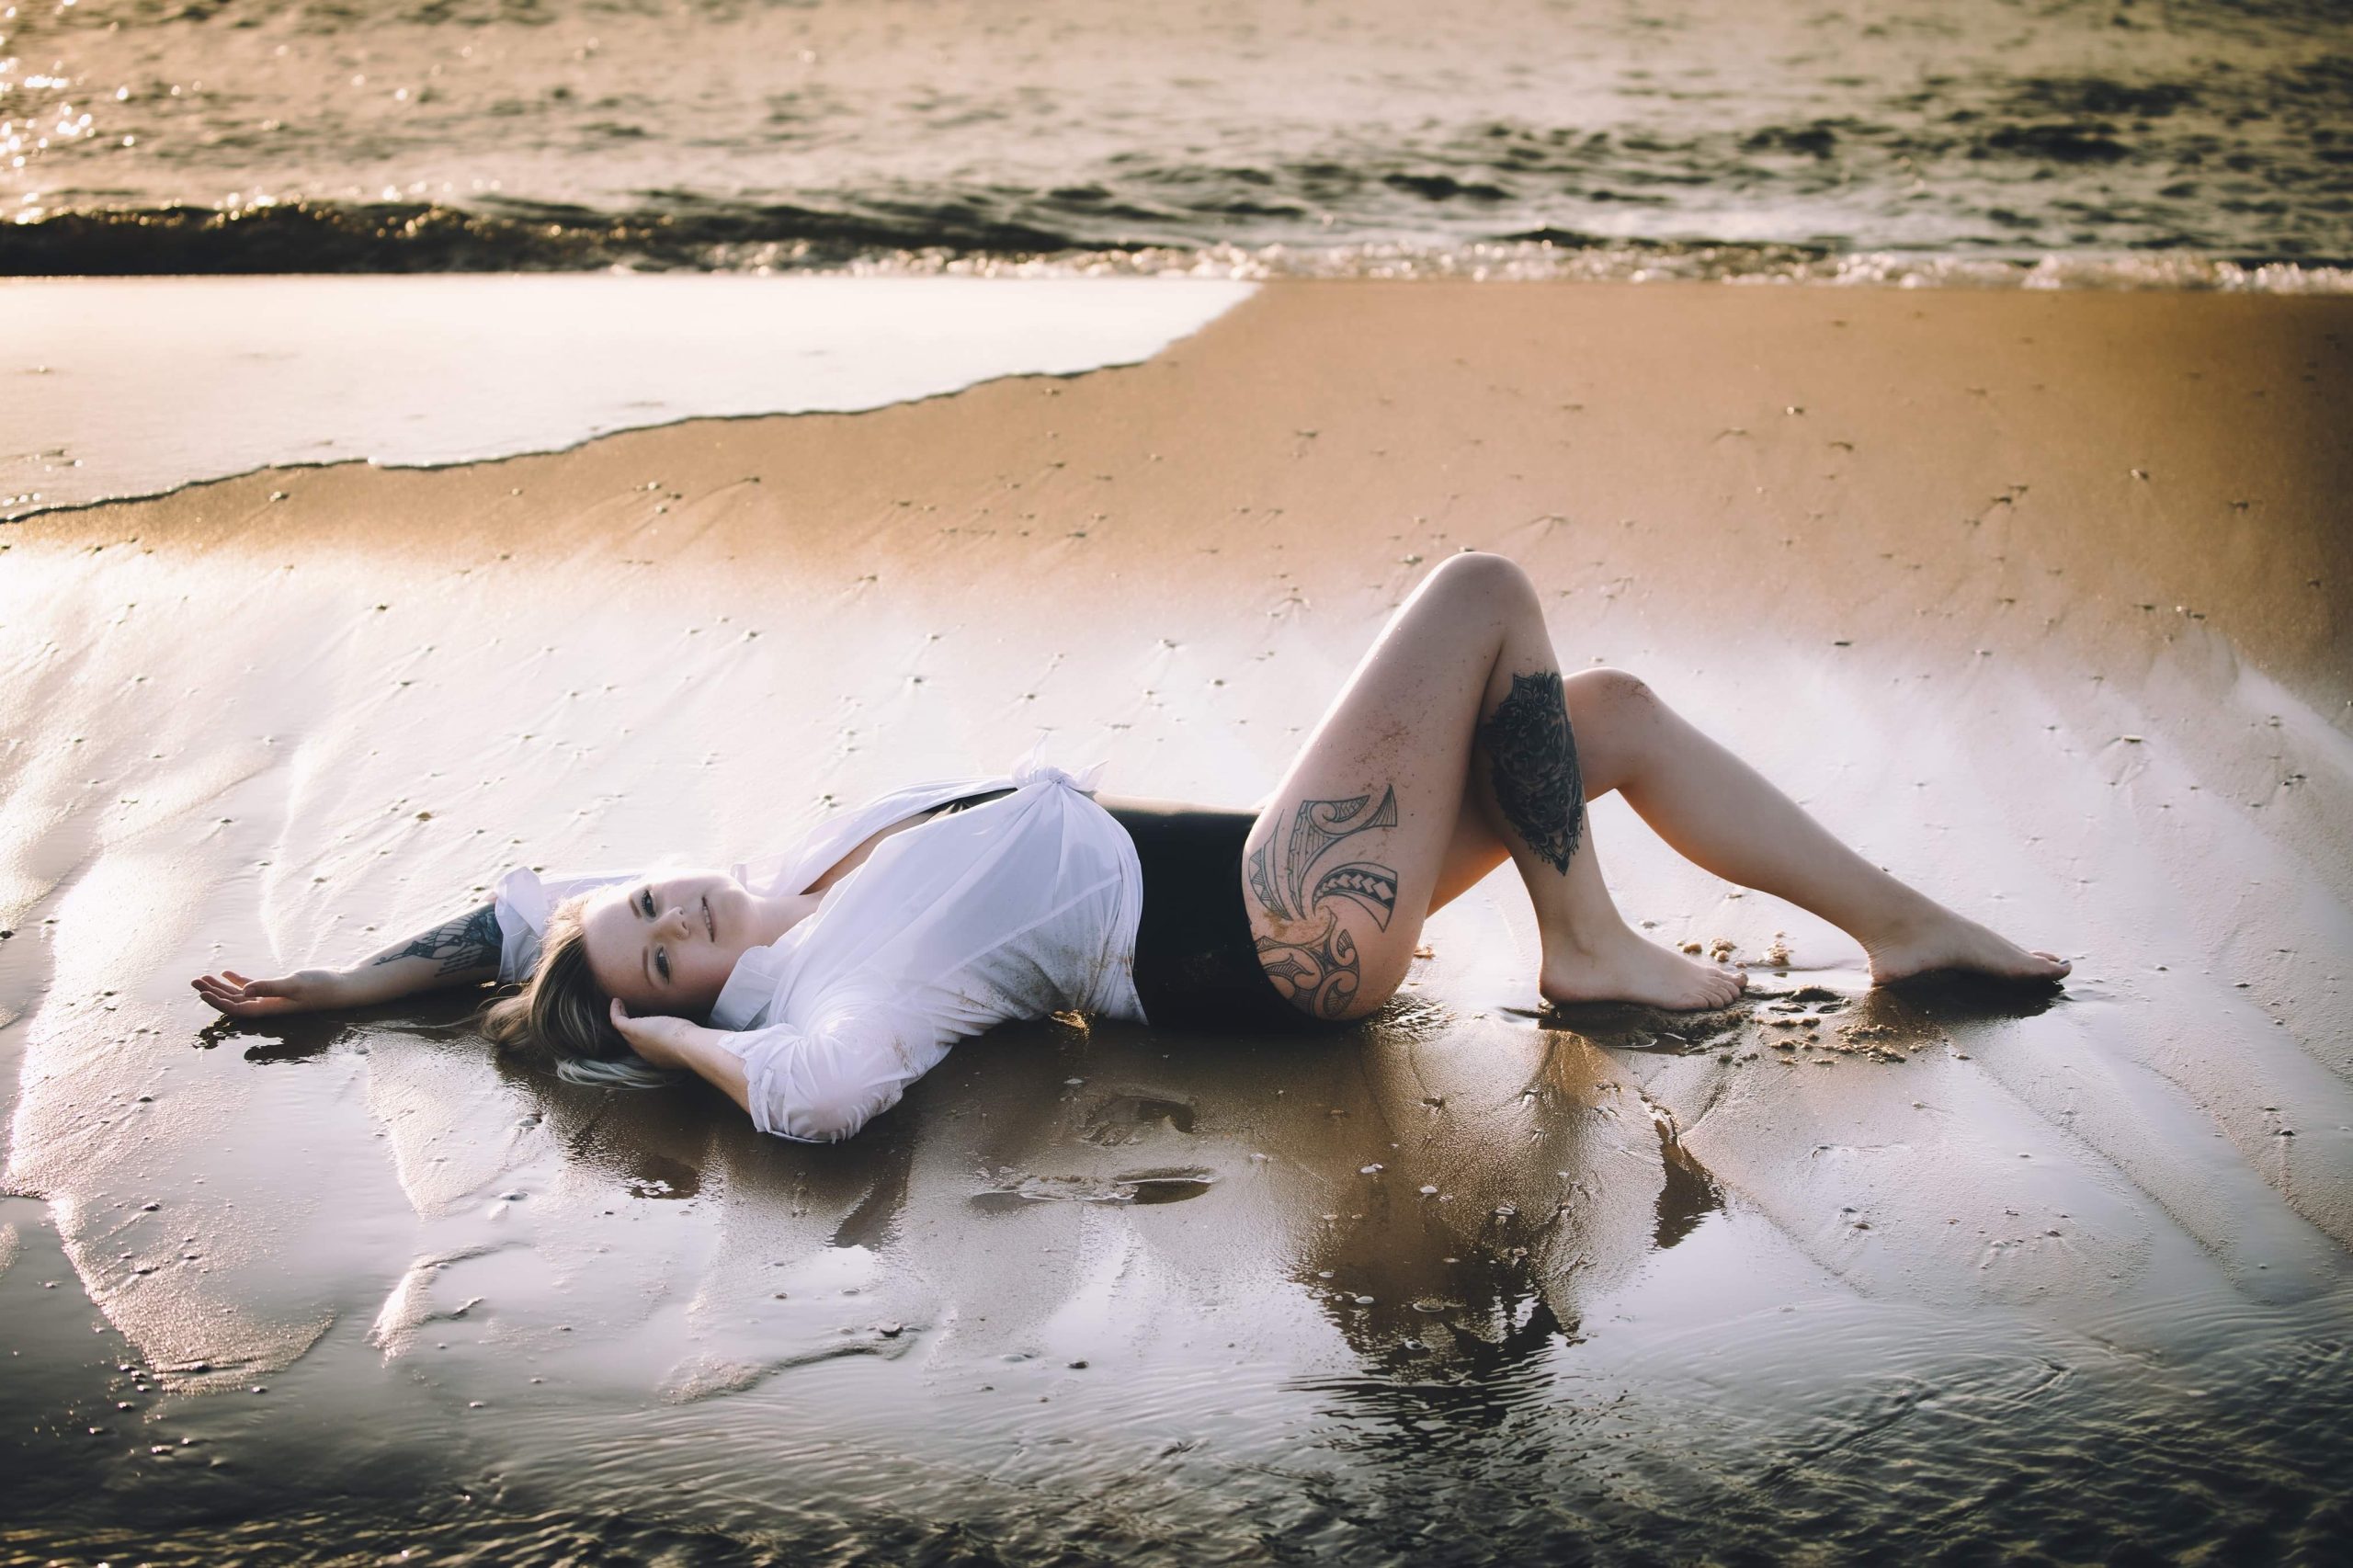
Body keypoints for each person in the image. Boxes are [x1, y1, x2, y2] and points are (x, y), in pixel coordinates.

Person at [190, 553, 2068, 1142]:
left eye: (646, 911)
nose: (671, 918)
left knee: (1611, 715)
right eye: (666, 954)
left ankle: (1903, 929)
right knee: (1483, 594)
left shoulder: (795, 866)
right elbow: (817, 1102)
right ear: (694, 995)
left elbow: (512, 916)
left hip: (1284, 895)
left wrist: (346, 983)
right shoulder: (829, 989)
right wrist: (674, 1041)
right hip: (1269, 934)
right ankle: (1584, 944)